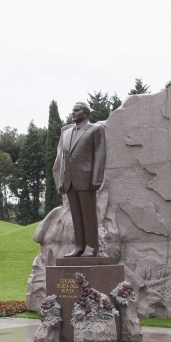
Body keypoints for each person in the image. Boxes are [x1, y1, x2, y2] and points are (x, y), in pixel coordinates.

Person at [52, 101, 106, 257]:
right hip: (69, 180)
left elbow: (100, 154)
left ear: (86, 113)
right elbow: (64, 158)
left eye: (77, 110)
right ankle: (79, 247)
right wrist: (61, 180)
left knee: (89, 215)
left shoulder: (96, 130)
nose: (73, 113)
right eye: (72, 110)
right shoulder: (66, 133)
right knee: (76, 215)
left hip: (86, 178)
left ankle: (91, 247)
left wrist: (97, 178)